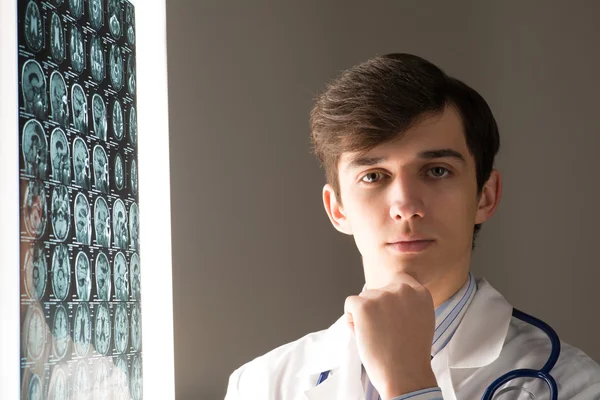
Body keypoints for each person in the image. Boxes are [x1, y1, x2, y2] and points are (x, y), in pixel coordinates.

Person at [224, 54, 600, 399]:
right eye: (373, 176)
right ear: (337, 209)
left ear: (485, 196)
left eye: (436, 171)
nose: (405, 206)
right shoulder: (262, 384)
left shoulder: (572, 384)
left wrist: (407, 382)